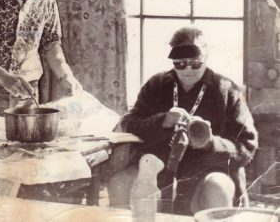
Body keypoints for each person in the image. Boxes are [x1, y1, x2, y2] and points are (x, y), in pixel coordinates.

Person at [108, 26, 258, 215]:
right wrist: (161, 121)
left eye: (195, 63)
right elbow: (130, 122)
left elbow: (246, 147)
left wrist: (211, 144)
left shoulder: (227, 90)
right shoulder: (156, 85)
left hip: (207, 170)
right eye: (180, 64)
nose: (188, 69)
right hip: (158, 167)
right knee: (120, 184)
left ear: (206, 58)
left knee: (217, 188)